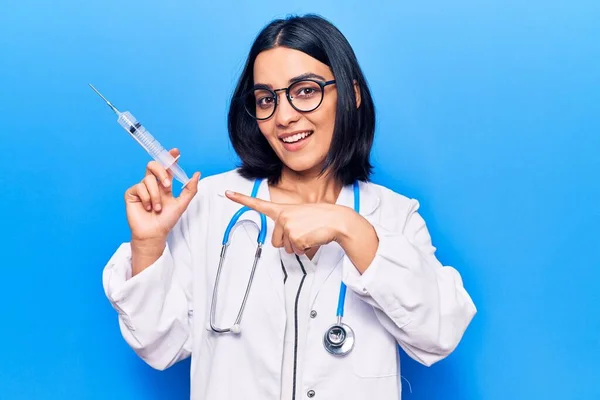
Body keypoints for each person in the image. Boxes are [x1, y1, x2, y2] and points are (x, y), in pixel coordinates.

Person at [102, 14, 476, 400]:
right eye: (266, 99)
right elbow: (158, 345)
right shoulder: (210, 205)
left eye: (305, 90)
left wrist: (350, 227)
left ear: (352, 94)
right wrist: (147, 245)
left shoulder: (393, 215)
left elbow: (440, 335)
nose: (283, 117)